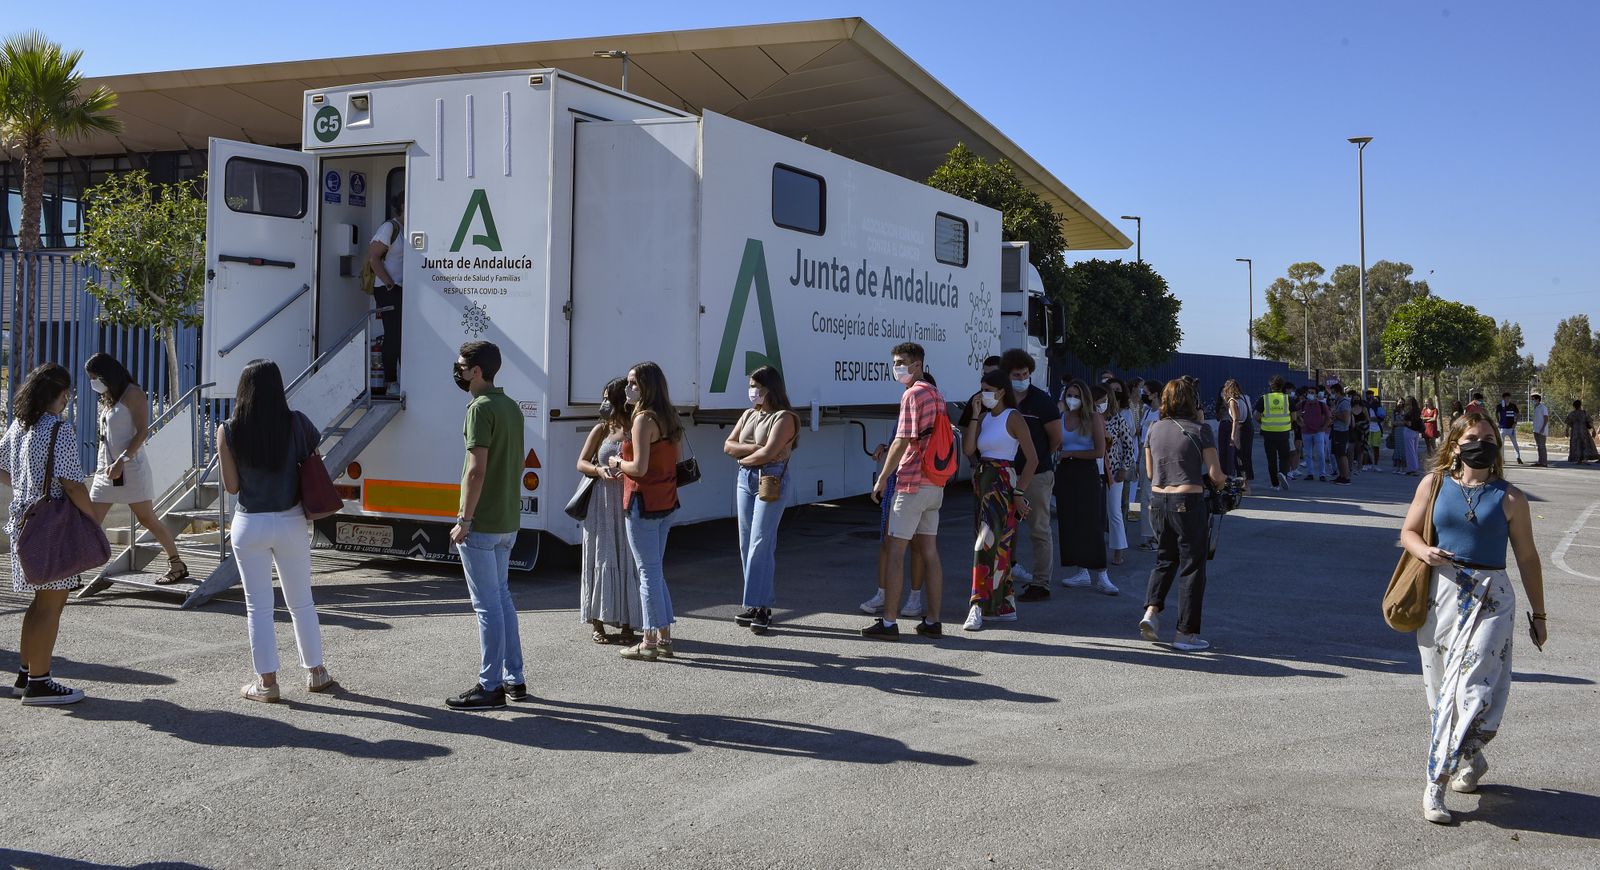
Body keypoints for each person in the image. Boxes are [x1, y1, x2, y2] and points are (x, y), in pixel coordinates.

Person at [1399, 413, 1547, 824]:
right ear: (1455, 444)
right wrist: (1424, 551)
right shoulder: (1433, 484)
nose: (1481, 444)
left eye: (1488, 438)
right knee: (1440, 693)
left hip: (1491, 599)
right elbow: (1408, 532)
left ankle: (1434, 785)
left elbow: (1528, 559)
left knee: (1471, 689)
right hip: (1440, 595)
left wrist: (1540, 613)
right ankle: (1472, 758)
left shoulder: (1511, 498)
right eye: (1472, 437)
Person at [218, 360, 332, 703]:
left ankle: (267, 684)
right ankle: (316, 673)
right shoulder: (298, 422)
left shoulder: (229, 429)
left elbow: (232, 486)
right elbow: (314, 462)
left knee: (258, 607)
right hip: (290, 520)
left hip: (250, 522)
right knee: (301, 602)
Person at [2, 364, 95, 705]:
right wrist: (91, 520)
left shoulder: (19, 425)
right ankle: (40, 683)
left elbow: (1, 468)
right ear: (62, 394)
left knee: (39, 602)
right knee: (51, 605)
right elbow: (72, 483)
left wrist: (28, 490)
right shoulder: (57, 428)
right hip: (54, 527)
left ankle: (26, 674)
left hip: (24, 522)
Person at [445, 341, 526, 708]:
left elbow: (475, 471)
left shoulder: (479, 409)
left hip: (483, 522)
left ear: (477, 371)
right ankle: (514, 678)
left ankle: (490, 685)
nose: (458, 370)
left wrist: (465, 519)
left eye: (462, 365)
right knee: (502, 600)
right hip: (507, 519)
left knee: (486, 606)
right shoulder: (510, 406)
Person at [863, 342, 947, 639]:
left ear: (918, 364)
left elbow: (901, 441)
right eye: (895, 361)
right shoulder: (936, 393)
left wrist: (883, 478)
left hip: (911, 483)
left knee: (896, 551)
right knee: (929, 552)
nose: (897, 367)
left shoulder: (912, 394)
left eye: (902, 362)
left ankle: (888, 622)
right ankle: (933, 620)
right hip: (935, 484)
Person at [1139, 379, 1228, 652]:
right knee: (1192, 567)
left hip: (1158, 500)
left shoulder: (1153, 428)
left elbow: (1152, 473)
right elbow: (1215, 475)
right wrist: (1226, 482)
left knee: (1165, 559)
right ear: (1193, 401)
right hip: (1188, 500)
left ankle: (1151, 612)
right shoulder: (1200, 429)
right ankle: (1185, 633)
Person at [83, 353, 187, 584]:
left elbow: (142, 431)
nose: (93, 383)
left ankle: (176, 563)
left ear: (106, 374)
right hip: (106, 471)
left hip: (130, 468)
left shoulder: (134, 393)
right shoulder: (110, 397)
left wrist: (122, 460)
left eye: (94, 377)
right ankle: (72, 572)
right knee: (90, 521)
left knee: (147, 518)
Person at [611, 361, 683, 659]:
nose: (627, 388)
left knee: (647, 572)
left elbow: (638, 468)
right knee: (655, 569)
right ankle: (663, 637)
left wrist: (617, 464)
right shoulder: (669, 416)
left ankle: (649, 641)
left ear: (647, 388)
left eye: (633, 384)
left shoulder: (642, 419)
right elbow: (666, 461)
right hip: (666, 500)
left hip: (643, 501)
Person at [724, 365, 799, 635]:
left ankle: (762, 606)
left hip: (771, 479)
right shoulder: (748, 415)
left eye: (756, 386)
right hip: (745, 479)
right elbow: (727, 445)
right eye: (750, 386)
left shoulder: (785, 417)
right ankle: (755, 603)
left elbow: (769, 454)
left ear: (770, 389)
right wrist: (755, 452)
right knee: (746, 542)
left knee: (760, 541)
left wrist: (746, 456)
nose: (751, 391)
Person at [960, 370, 1037, 631]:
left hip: (1002, 481)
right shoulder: (983, 418)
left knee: (986, 543)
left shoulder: (1013, 417)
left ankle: (977, 604)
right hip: (983, 479)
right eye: (981, 389)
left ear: (1002, 391)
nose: (983, 394)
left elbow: (1033, 459)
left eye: (987, 389)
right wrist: (974, 416)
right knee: (996, 544)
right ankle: (1003, 603)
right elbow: (969, 450)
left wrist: (1019, 491)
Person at [576, 377, 640, 646]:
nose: (603, 404)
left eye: (607, 398)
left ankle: (628, 623)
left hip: (627, 499)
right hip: (601, 502)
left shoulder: (637, 427)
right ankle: (597, 623)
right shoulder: (601, 429)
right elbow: (581, 462)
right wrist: (598, 470)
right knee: (600, 557)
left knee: (627, 558)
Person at [998, 349, 1061, 601]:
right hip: (1005, 472)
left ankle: (1041, 583)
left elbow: (1055, 440)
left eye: (1025, 374)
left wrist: (1034, 461)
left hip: (1036, 474)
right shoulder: (1002, 400)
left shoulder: (1042, 402)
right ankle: (1003, 577)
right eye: (1016, 374)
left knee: (1039, 528)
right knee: (1005, 528)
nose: (1022, 377)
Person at [1054, 378, 1115, 595]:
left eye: (1076, 395)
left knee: (1092, 522)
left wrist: (1071, 453)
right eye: (1069, 395)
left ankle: (1102, 574)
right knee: (1070, 522)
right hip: (1065, 473)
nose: (1072, 399)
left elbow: (1099, 451)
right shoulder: (1062, 417)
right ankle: (1081, 571)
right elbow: (1057, 444)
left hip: (1087, 472)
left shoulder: (1093, 418)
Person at [366, 193, 406, 395]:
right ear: (402, 205)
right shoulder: (390, 227)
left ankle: (400, 377)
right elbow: (373, 258)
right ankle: (390, 382)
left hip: (402, 288)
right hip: (388, 288)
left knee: (402, 334)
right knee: (393, 333)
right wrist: (390, 284)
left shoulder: (409, 229)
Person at [1099, 384, 1135, 566]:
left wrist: (1123, 469)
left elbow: (1129, 448)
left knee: (1114, 512)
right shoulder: (1090, 420)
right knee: (1095, 514)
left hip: (1113, 473)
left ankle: (1118, 553)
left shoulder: (1119, 420)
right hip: (1094, 473)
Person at [1135, 380, 1163, 551]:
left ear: (1155, 394)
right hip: (1143, 456)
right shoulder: (1147, 412)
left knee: (1151, 499)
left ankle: (1154, 537)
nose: (1142, 394)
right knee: (1145, 499)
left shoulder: (1161, 413)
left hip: (1154, 458)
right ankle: (1149, 535)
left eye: (1145, 391)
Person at [1257, 376, 1295, 491]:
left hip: (1268, 432)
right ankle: (1283, 473)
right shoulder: (1288, 399)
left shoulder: (1264, 398)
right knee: (1285, 456)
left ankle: (1275, 484)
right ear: (1282, 386)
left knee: (1271, 459)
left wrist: (1264, 422)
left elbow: (1256, 415)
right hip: (1283, 432)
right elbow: (1294, 416)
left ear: (1270, 386)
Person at [1299, 385, 1331, 481]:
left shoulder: (1322, 405)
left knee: (1320, 453)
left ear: (1316, 394)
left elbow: (1329, 417)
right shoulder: (1303, 403)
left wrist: (1323, 428)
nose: (1310, 394)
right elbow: (1294, 413)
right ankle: (1310, 474)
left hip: (1318, 432)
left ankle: (1322, 474)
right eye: (1309, 392)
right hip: (1306, 432)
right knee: (1307, 454)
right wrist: (1300, 423)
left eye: (1312, 392)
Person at [1566, 400, 1598, 464]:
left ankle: (1578, 459)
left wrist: (1566, 431)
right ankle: (1585, 459)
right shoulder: (1584, 413)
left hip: (1575, 432)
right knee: (1585, 444)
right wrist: (1594, 430)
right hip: (1583, 431)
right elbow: (1590, 422)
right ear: (1580, 405)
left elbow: (1568, 424)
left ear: (1574, 406)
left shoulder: (1572, 414)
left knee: (1576, 445)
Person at [1495, 393, 1523, 465]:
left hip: (1511, 428)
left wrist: (1515, 423)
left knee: (1515, 444)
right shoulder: (1500, 406)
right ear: (1503, 398)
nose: (1508, 399)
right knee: (1501, 445)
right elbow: (1496, 413)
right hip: (1502, 428)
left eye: (1509, 398)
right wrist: (1498, 422)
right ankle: (1502, 459)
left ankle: (1518, 457)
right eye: (1506, 398)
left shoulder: (1513, 406)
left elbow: (1518, 414)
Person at [1529, 394, 1549, 467]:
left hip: (1541, 430)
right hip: (1536, 430)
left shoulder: (1543, 408)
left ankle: (1544, 462)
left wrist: (1543, 428)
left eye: (1533, 399)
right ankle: (1540, 461)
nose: (1532, 401)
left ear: (1537, 399)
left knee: (1542, 446)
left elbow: (1546, 418)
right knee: (1539, 446)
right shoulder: (1536, 407)